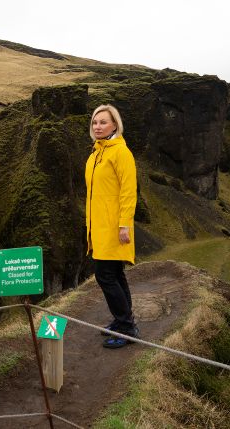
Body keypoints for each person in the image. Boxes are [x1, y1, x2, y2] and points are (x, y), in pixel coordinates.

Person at [84, 104, 140, 349]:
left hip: (114, 227)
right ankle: (124, 321)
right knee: (115, 274)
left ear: (115, 125)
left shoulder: (120, 152)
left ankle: (127, 326)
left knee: (105, 276)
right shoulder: (96, 154)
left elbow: (129, 192)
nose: (98, 126)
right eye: (95, 122)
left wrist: (124, 225)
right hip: (99, 227)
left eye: (103, 122)